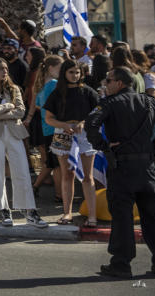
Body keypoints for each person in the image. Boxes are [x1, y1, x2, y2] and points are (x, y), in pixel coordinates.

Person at [85, 67, 155, 279]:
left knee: (122, 218)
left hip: (122, 168)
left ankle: (121, 264)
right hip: (147, 169)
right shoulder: (149, 101)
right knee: (154, 217)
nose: (105, 84)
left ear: (119, 83)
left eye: (108, 81)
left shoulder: (109, 103)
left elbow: (90, 124)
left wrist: (105, 146)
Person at [0, 57, 47, 228]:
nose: (5, 71)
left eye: (6, 68)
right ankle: (4, 210)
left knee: (22, 170)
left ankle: (29, 210)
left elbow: (21, 112)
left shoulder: (14, 88)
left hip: (14, 133)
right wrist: (8, 106)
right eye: (1, 68)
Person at [44, 58, 100, 225]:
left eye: (77, 72)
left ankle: (92, 216)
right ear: (64, 73)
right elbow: (48, 119)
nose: (75, 75)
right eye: (71, 72)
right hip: (63, 134)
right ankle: (67, 213)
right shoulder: (57, 93)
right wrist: (63, 125)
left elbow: (98, 112)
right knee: (67, 175)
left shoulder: (89, 92)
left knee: (88, 177)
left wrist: (85, 122)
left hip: (85, 135)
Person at [26, 55, 64, 198]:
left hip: (46, 126)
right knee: (57, 165)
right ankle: (60, 195)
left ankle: (35, 187)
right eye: (60, 68)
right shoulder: (54, 83)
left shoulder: (41, 84)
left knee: (50, 162)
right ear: (51, 68)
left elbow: (36, 105)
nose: (63, 71)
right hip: (55, 126)